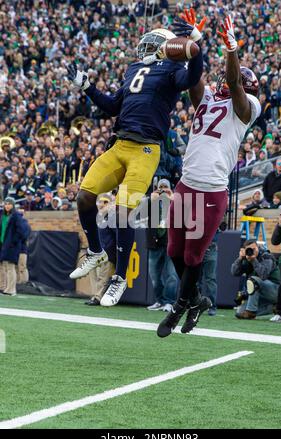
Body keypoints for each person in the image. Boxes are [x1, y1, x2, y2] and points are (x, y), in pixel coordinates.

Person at [66, 9, 206, 307]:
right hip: (119, 146)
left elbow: (193, 76)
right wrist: (87, 86)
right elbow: (112, 106)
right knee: (83, 197)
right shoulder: (133, 69)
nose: (145, 46)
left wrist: (196, 46)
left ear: (167, 47)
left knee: (121, 210)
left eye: (153, 42)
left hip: (145, 150)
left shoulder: (172, 70)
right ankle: (95, 251)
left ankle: (118, 278)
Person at [157, 12, 261, 338]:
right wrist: (194, 43)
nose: (224, 84)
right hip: (186, 183)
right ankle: (197, 299)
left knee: (192, 255)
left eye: (233, 82)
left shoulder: (246, 107)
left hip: (212, 189)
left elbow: (233, 83)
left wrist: (232, 49)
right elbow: (193, 78)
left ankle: (179, 307)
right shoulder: (207, 96)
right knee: (174, 251)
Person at [146, 179, 178, 312]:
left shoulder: (175, 201)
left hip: (170, 242)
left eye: (166, 187)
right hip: (155, 242)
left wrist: (173, 199)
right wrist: (150, 200)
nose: (163, 189)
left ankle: (170, 302)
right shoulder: (152, 201)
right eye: (161, 187)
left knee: (172, 274)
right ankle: (160, 300)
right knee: (154, 276)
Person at [231, 239, 280, 319]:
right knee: (240, 312)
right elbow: (234, 272)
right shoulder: (246, 258)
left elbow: (263, 275)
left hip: (274, 290)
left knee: (253, 280)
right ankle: (274, 307)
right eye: (249, 250)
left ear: (258, 247)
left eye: (254, 249)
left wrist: (254, 260)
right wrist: (239, 259)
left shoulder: (267, 256)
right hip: (259, 294)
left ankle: (250, 312)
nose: (252, 251)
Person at [0, 197, 30, 296]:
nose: (7, 206)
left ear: (13, 205)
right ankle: (4, 288)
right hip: (2, 244)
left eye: (9, 204)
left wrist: (13, 242)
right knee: (4, 267)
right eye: (6, 204)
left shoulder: (16, 216)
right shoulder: (2, 216)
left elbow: (21, 231)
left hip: (11, 246)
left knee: (10, 267)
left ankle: (11, 290)